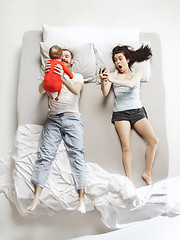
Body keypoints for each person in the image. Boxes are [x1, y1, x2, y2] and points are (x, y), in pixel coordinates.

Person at [27, 49, 86, 214]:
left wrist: (62, 77)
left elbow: (76, 90)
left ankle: (81, 198)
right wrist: (47, 76)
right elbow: (40, 90)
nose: (64, 58)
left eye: (68, 56)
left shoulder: (77, 76)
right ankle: (36, 196)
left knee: (77, 155)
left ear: (71, 61)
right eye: (63, 56)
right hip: (52, 119)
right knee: (45, 155)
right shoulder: (50, 72)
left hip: (73, 119)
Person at [99, 44, 158, 186]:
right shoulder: (112, 74)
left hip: (137, 111)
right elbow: (105, 92)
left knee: (154, 141)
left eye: (120, 59)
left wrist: (112, 80)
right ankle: (129, 179)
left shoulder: (136, 72)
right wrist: (103, 80)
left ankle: (147, 173)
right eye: (115, 60)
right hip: (120, 113)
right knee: (126, 147)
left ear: (127, 59)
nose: (117, 62)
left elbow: (131, 84)